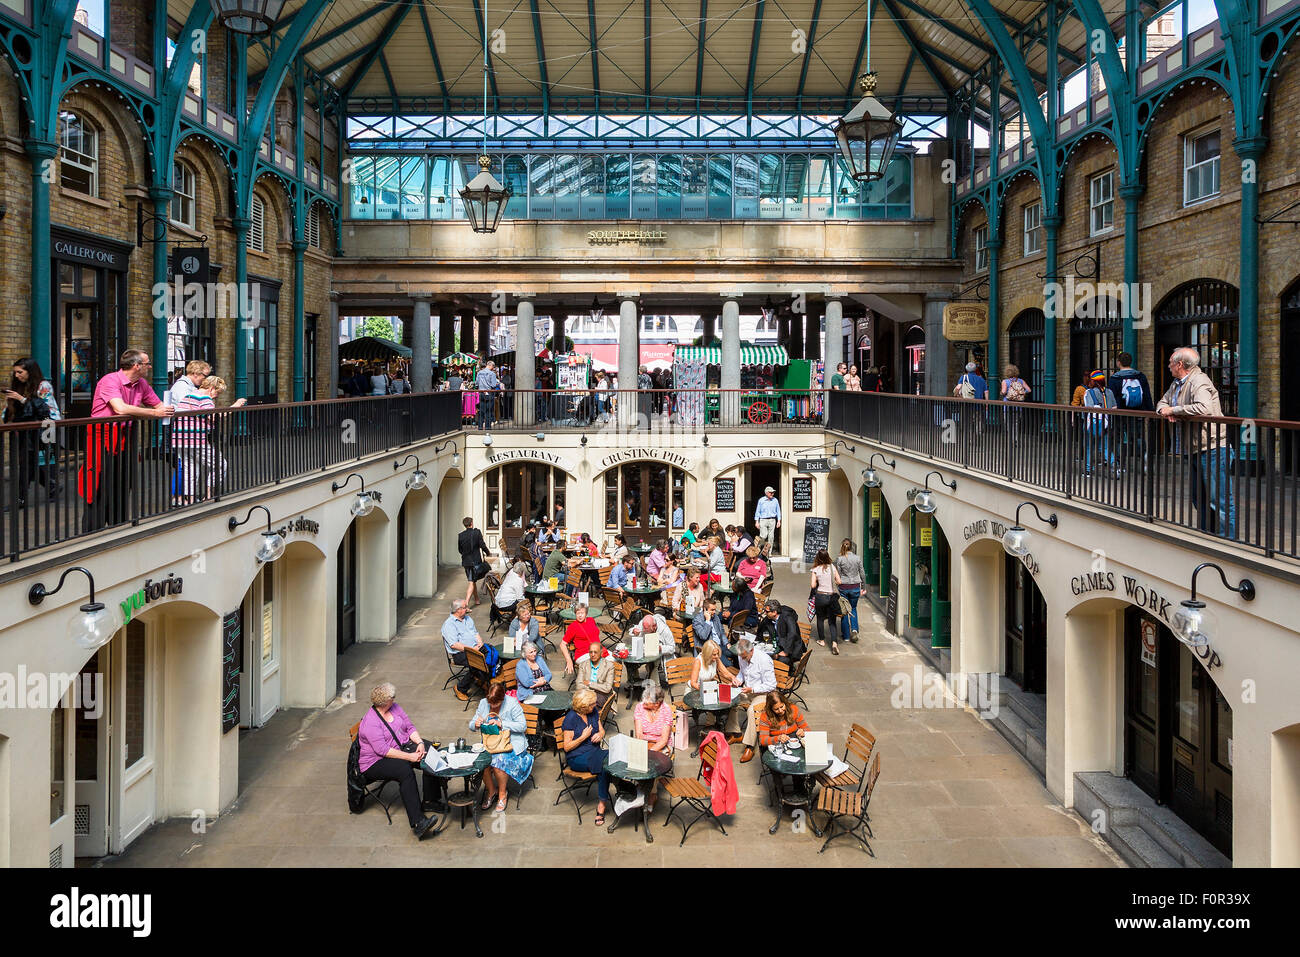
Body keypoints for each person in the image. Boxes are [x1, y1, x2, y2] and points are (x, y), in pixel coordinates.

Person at [81, 350, 174, 532]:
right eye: (147, 363)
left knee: (123, 482)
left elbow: (159, 405)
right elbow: (120, 408)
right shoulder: (110, 380)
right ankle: (92, 530)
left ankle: (118, 526)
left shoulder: (141, 384)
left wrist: (170, 408)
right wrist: (155, 413)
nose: (150, 367)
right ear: (136, 366)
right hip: (102, 436)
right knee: (99, 482)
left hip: (125, 437)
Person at [1156, 346, 1236, 539]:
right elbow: (1162, 403)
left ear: (1179, 364)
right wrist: (1165, 410)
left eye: (1170, 363)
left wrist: (1175, 410)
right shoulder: (1176, 384)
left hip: (1213, 447)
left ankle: (1228, 540)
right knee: (1199, 498)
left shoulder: (1199, 381)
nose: (1168, 366)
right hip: (1194, 448)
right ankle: (1207, 535)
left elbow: (1204, 407)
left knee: (1219, 499)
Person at [356, 683, 440, 839]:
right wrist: (410, 757)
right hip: (375, 762)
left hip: (400, 746)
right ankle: (418, 823)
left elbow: (409, 727)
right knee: (404, 771)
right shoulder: (370, 723)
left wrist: (420, 743)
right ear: (385, 701)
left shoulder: (394, 707)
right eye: (392, 697)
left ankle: (430, 800)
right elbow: (382, 750)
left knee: (431, 753)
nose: (394, 699)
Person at [4, 357, 61, 504]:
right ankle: (52, 486)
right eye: (15, 372)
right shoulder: (20, 386)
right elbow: (14, 410)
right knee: (30, 463)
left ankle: (21, 499)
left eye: (20, 372)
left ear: (30, 371)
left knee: (35, 462)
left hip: (46, 427)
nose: (17, 375)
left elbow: (44, 410)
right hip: (28, 430)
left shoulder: (43, 385)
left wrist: (21, 399)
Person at [469, 683, 533, 814]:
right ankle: (492, 791)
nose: (492, 706)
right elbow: (471, 724)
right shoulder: (483, 703)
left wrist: (501, 723)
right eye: (490, 703)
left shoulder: (512, 703)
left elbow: (522, 726)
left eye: (496, 703)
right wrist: (475, 724)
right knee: (482, 763)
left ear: (502, 699)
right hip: (491, 744)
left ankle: (502, 794)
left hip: (511, 743)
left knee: (499, 762)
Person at [561, 690, 611, 825]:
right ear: (583, 707)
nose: (595, 705)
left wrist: (600, 735)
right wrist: (583, 737)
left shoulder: (593, 712)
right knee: (606, 762)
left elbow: (601, 730)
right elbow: (567, 747)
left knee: (607, 763)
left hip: (595, 752)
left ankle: (605, 801)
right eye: (592, 704)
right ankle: (605, 802)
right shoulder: (571, 719)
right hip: (577, 757)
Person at [726, 638, 777, 763]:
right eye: (740, 657)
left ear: (752, 651)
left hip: (763, 694)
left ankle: (750, 746)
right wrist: (738, 680)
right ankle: (736, 733)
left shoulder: (764, 660)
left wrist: (753, 689)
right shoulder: (742, 655)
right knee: (729, 699)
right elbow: (742, 673)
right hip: (747, 690)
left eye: (744, 657)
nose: (742, 659)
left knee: (752, 711)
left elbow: (772, 685)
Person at [1108, 351, 1154, 473]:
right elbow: (1147, 395)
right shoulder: (1140, 376)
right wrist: (1150, 411)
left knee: (1119, 439)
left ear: (1118, 363)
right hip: (1138, 412)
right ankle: (1144, 460)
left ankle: (1120, 465)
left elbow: (1111, 396)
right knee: (1138, 437)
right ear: (1131, 362)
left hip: (1120, 412)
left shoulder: (1114, 379)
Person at [632, 683, 674, 812]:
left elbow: (664, 740)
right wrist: (642, 750)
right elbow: (639, 734)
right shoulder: (639, 708)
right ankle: (641, 787)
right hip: (644, 742)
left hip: (661, 744)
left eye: (647, 701)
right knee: (635, 760)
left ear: (657, 704)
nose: (643, 702)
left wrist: (650, 752)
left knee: (654, 764)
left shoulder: (666, 711)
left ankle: (652, 794)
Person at [441, 598, 484, 701]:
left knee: (492, 655)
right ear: (458, 610)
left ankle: (482, 680)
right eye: (465, 607)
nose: (467, 609)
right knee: (479, 663)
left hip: (475, 648)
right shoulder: (449, 624)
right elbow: (454, 645)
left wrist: (480, 643)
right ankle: (460, 688)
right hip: (460, 653)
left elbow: (475, 633)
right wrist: (472, 650)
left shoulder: (468, 619)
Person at [1082, 369, 1118, 476]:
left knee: (1089, 447)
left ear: (1094, 381)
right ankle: (1114, 467)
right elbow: (1115, 407)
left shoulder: (1089, 392)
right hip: (1106, 424)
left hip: (1091, 424)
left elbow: (1088, 408)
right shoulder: (1109, 392)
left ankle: (1088, 470)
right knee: (1105, 447)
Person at [810, 549, 843, 655]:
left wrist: (819, 581)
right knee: (832, 621)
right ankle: (834, 643)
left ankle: (822, 640)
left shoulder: (815, 569)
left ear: (818, 558)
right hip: (831, 596)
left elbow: (813, 585)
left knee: (820, 618)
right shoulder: (832, 567)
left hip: (820, 596)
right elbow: (839, 581)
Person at [835, 538, 864, 644]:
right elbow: (862, 573)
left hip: (844, 587)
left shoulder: (840, 559)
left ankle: (846, 636)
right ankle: (854, 630)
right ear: (852, 547)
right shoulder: (857, 558)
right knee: (853, 608)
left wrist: (837, 585)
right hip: (855, 586)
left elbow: (838, 575)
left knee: (844, 610)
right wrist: (863, 587)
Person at [458, 516, 490, 607]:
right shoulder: (477, 532)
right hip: (475, 561)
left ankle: (476, 599)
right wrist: (488, 552)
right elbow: (482, 545)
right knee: (471, 582)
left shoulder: (461, 535)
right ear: (471, 523)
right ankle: (466, 604)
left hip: (466, 562)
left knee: (472, 580)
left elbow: (460, 550)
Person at [561, 603, 600, 676]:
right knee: (599, 667)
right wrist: (569, 660)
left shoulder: (591, 620)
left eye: (582, 613)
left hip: (598, 651)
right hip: (583, 654)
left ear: (586, 613)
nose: (580, 615)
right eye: (578, 613)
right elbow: (562, 644)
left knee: (616, 660)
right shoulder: (573, 626)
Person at [574, 643, 616, 712]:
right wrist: (591, 691)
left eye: (595, 652)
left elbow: (607, 688)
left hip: (601, 695)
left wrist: (590, 683)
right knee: (576, 704)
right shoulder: (583, 665)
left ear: (601, 653)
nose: (593, 655)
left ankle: (587, 718)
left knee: (591, 705)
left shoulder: (609, 666)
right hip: (585, 693)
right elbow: (579, 685)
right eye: (591, 652)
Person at [475, 360, 501, 430]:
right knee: (489, 411)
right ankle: (487, 427)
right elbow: (493, 385)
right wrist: (496, 384)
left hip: (481, 392)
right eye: (493, 367)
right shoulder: (492, 374)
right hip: (489, 393)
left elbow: (476, 383)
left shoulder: (479, 373)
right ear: (491, 366)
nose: (493, 368)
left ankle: (480, 426)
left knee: (481, 410)